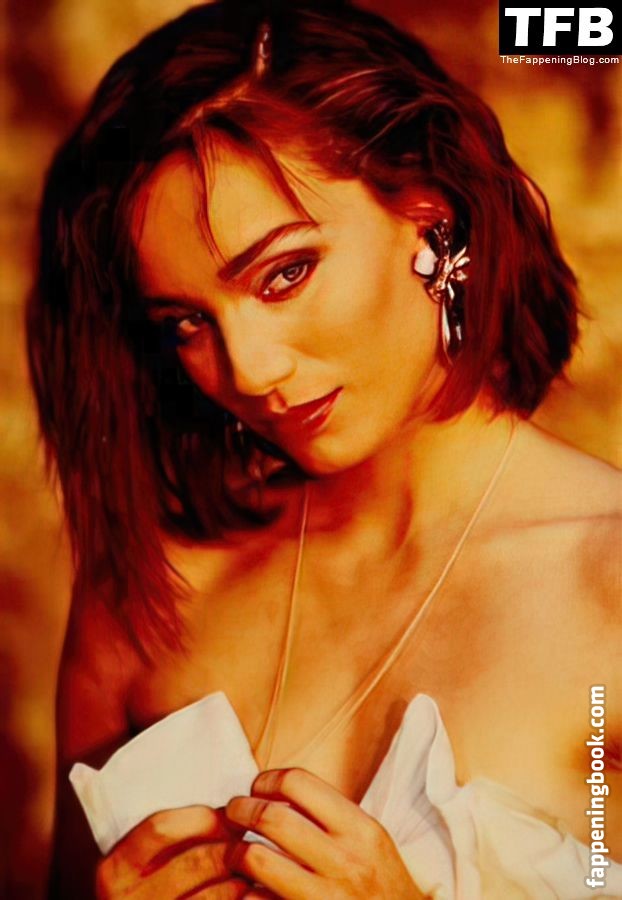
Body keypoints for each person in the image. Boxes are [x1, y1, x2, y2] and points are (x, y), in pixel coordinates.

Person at [27, 1, 621, 897]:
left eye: (285, 274)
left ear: (432, 217)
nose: (248, 369)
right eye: (187, 322)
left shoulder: (608, 584)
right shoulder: (154, 591)